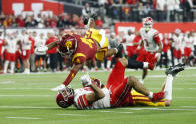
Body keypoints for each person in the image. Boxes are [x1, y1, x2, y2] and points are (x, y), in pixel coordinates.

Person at [55, 58, 185, 109]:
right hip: (111, 98)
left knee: (121, 62)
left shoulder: (77, 93)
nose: (66, 90)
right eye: (65, 94)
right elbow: (99, 95)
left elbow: (99, 86)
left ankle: (149, 65)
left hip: (109, 89)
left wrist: (93, 82)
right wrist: (90, 84)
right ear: (67, 101)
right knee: (131, 80)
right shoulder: (79, 101)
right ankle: (154, 94)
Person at [136, 17, 162, 84]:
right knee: (144, 66)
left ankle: (156, 60)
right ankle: (142, 80)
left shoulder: (154, 33)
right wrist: (139, 46)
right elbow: (143, 38)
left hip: (153, 52)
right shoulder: (142, 30)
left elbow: (160, 45)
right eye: (145, 24)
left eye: (148, 24)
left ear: (151, 24)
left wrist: (158, 53)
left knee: (151, 68)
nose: (147, 25)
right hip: (146, 51)